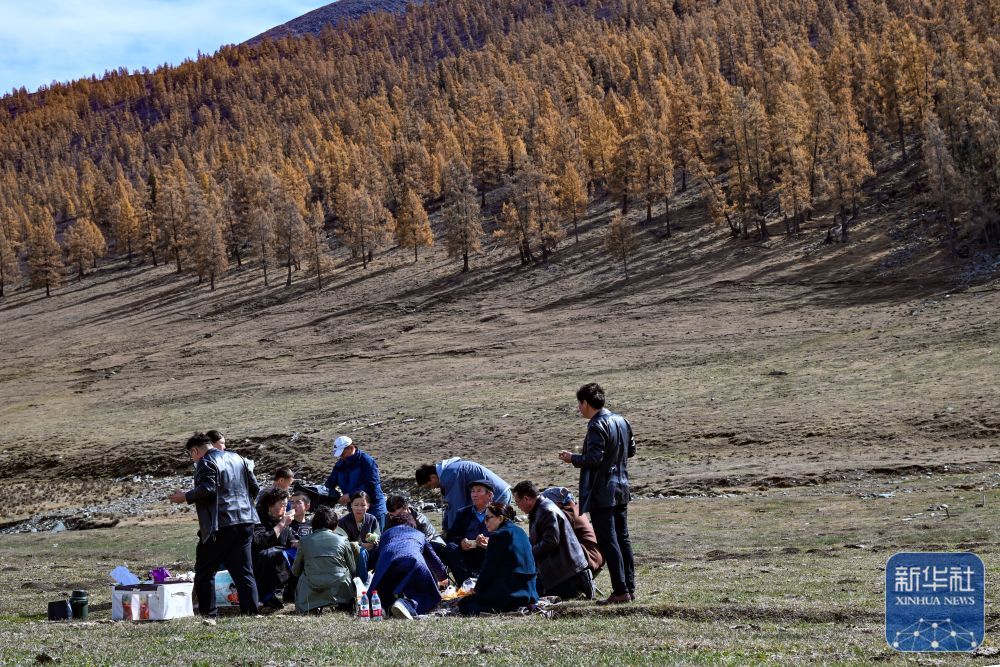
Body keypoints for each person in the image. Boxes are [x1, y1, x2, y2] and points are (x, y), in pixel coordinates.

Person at [558, 382, 636, 605]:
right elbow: (631, 451)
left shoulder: (596, 425)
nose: (579, 409)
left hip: (603, 491)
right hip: (622, 488)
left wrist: (572, 458)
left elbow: (594, 459)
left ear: (585, 403)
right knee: (623, 539)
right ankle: (629, 587)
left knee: (608, 540)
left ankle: (620, 590)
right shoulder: (622, 421)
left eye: (579, 404)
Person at [168, 432, 260, 617]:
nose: (192, 459)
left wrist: (185, 496)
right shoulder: (238, 458)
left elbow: (208, 488)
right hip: (246, 519)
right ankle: (251, 612)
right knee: (243, 571)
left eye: (190, 455)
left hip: (221, 523)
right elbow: (254, 487)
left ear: (195, 451)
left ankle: (209, 614)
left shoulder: (205, 462)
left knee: (204, 571)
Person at [513, 481, 593, 600]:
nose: (517, 506)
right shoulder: (539, 509)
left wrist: (529, 554)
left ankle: (579, 587)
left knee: (528, 595)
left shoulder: (546, 511)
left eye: (517, 502)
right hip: (560, 571)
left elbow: (550, 542)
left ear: (526, 499)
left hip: (565, 574)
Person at [458, 503, 538, 616]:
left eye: (487, 518)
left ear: (500, 518)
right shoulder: (520, 531)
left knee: (465, 604)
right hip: (531, 592)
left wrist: (477, 589)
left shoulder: (498, 535)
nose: (485, 522)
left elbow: (489, 568)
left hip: (512, 593)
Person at [367, 513, 449, 620]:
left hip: (388, 562)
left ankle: (382, 607)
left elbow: (375, 556)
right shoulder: (419, 534)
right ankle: (406, 604)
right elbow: (433, 558)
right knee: (424, 593)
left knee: (384, 589)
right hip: (413, 561)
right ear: (413, 524)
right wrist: (443, 576)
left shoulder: (386, 534)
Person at [290, 506, 359, 614]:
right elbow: (353, 569)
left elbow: (295, 571)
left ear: (314, 524)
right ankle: (343, 604)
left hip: (311, 590)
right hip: (340, 589)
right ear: (335, 525)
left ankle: (312, 604)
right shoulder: (343, 539)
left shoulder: (304, 541)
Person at [415, 458, 512, 533]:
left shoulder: (449, 475)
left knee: (494, 530)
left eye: (429, 485)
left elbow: (456, 505)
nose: (432, 488)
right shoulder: (450, 470)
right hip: (502, 491)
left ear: (432, 477)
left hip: (497, 495)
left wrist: (452, 532)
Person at [325, 436, 387, 529]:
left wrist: (350, 495)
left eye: (342, 453)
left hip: (374, 508)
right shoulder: (340, 464)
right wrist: (329, 495)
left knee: (376, 538)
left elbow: (371, 484)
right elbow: (330, 483)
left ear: (351, 448)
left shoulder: (366, 461)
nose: (341, 456)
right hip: (354, 510)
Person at [542, 487, 604, 575]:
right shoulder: (575, 509)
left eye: (547, 504)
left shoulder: (565, 515)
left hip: (588, 559)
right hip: (594, 557)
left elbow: (551, 539)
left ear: (557, 504)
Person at [443, 479, 495, 583]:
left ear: (489, 495)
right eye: (472, 491)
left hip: (490, 554)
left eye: (478, 491)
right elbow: (451, 536)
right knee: (450, 548)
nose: (474, 495)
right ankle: (466, 584)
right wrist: (461, 541)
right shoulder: (463, 513)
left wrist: (490, 541)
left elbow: (508, 535)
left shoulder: (498, 512)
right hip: (468, 554)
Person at [252, 487, 295, 611]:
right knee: (270, 554)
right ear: (270, 505)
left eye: (287, 505)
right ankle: (266, 596)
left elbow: (290, 541)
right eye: (282, 504)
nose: (285, 508)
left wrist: (299, 543)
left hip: (279, 563)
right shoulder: (258, 520)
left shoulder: (283, 521)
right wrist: (281, 524)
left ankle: (292, 590)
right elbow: (262, 541)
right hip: (260, 562)